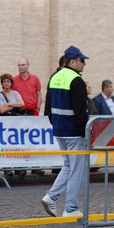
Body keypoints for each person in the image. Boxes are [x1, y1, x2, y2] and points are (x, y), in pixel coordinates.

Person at [41, 45, 89, 217]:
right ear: (73, 61)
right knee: (77, 170)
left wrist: (56, 125)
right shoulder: (77, 80)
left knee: (68, 166)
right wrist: (84, 132)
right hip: (74, 132)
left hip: (60, 129)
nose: (84, 64)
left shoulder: (54, 77)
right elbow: (80, 110)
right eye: (82, 61)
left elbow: (47, 107)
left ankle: (51, 197)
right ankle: (70, 208)